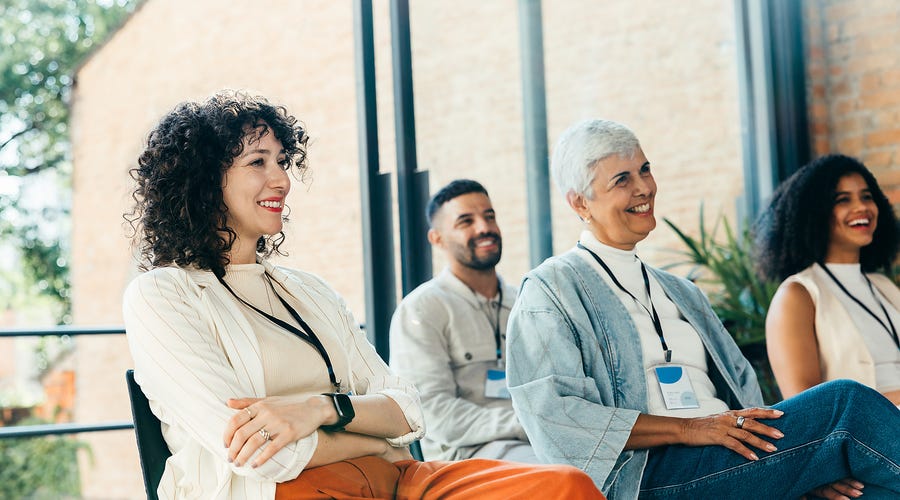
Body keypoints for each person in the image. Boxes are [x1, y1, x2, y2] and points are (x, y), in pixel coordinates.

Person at [121, 91, 603, 500]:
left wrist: (322, 409)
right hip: (287, 492)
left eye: (283, 162)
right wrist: (370, 437)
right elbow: (266, 455)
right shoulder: (163, 296)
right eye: (257, 162)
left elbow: (410, 410)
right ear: (205, 180)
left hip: (398, 480)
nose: (282, 180)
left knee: (567, 487)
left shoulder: (307, 290)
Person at [505, 118, 900, 500]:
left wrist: (800, 465)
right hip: (649, 474)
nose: (644, 187)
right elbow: (555, 416)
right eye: (622, 180)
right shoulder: (550, 290)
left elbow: (746, 396)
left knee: (867, 490)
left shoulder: (682, 292)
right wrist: (688, 428)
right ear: (580, 202)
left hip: (730, 455)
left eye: (645, 170)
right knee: (847, 402)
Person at [389, 179, 534, 463]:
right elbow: (431, 411)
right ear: (437, 239)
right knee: (564, 476)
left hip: (536, 443)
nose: (484, 228)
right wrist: (526, 424)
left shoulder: (526, 304)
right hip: (466, 458)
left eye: (489, 216)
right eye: (466, 221)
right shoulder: (421, 310)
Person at [754, 154, 900, 405]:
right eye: (843, 200)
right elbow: (808, 409)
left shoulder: (883, 286)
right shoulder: (798, 294)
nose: (862, 207)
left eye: (867, 196)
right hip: (867, 435)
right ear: (814, 214)